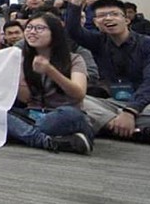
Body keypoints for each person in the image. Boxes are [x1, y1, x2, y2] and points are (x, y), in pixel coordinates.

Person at [66, 0, 150, 148]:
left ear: (127, 19)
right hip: (115, 102)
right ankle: (139, 132)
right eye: (102, 16)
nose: (108, 18)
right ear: (96, 23)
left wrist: (130, 111)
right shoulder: (98, 42)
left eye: (114, 14)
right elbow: (73, 30)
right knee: (72, 99)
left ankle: (108, 126)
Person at [7, 12, 94, 154]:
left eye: (39, 28)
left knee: (69, 115)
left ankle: (24, 134)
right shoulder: (22, 59)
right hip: (32, 115)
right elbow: (26, 98)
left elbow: (78, 94)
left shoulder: (74, 59)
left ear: (55, 33)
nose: (32, 32)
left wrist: (50, 70)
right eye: (29, 28)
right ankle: (51, 141)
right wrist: (17, 74)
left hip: (61, 115)